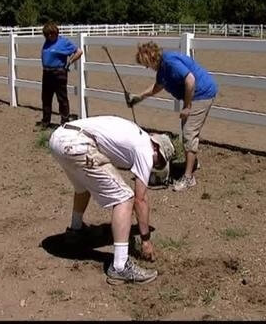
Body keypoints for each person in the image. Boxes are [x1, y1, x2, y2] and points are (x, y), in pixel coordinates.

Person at [49, 115, 175, 285]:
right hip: (79, 144)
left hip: (59, 137)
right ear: (157, 150)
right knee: (125, 197)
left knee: (83, 186)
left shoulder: (135, 134)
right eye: (158, 164)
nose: (154, 167)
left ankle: (75, 231)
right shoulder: (146, 150)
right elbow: (140, 200)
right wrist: (145, 241)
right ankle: (120, 266)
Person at [128, 41, 218, 192]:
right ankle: (193, 163)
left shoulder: (170, 62)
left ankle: (188, 178)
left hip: (202, 94)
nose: (146, 67)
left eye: (146, 63)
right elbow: (157, 87)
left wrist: (187, 107)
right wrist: (139, 97)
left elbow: (190, 80)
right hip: (196, 95)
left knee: (189, 133)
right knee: (188, 132)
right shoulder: (163, 69)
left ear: (151, 57)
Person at [38, 21, 83, 129]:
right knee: (46, 98)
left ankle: (64, 122)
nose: (49, 36)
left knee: (62, 98)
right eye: (47, 34)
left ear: (56, 33)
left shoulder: (63, 42)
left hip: (58, 73)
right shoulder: (47, 42)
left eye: (51, 34)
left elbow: (79, 51)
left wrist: (69, 62)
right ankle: (46, 122)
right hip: (47, 73)